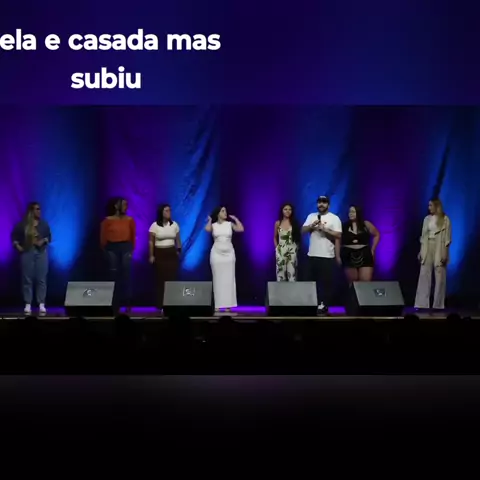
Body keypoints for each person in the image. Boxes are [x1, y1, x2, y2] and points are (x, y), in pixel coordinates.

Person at [302, 196, 342, 315]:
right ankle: (310, 305)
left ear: (328, 205)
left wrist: (325, 230)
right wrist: (311, 226)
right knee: (310, 282)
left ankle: (324, 304)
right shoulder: (311, 216)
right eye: (319, 202)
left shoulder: (334, 218)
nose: (321, 204)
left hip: (327, 256)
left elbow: (339, 235)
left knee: (326, 283)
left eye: (324, 202)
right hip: (312, 255)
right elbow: (302, 231)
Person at [11, 202, 52, 316]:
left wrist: (43, 241)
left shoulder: (43, 224)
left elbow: (49, 236)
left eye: (40, 209)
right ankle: (28, 303)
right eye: (37, 209)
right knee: (27, 278)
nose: (39, 211)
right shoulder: (23, 224)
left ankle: (41, 303)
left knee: (41, 278)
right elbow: (14, 236)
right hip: (28, 252)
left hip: (41, 252)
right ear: (31, 211)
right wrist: (18, 246)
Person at [414, 199, 452, 310]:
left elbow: (447, 239)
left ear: (436, 206)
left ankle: (438, 305)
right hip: (427, 246)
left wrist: (445, 253)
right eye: (428, 205)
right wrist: (421, 251)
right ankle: (421, 303)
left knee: (440, 276)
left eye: (431, 205)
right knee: (424, 274)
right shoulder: (426, 219)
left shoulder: (445, 219)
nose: (429, 207)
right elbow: (423, 237)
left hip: (439, 247)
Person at [205, 206, 244, 311]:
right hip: (216, 254)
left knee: (229, 279)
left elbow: (241, 229)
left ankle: (228, 305)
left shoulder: (229, 224)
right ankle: (218, 304)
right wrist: (210, 220)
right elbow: (207, 229)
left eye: (225, 211)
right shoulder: (214, 225)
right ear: (218, 213)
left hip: (229, 254)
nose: (225, 213)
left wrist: (235, 219)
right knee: (217, 279)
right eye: (223, 211)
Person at [100, 197, 136, 311]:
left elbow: (133, 236)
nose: (126, 207)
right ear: (116, 206)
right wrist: (105, 250)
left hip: (126, 247)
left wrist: (131, 250)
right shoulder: (107, 221)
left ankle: (128, 302)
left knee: (126, 275)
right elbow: (103, 238)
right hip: (112, 248)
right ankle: (114, 303)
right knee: (113, 275)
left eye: (126, 205)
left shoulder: (130, 220)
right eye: (123, 204)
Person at [148, 204, 182, 310]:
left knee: (171, 278)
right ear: (161, 212)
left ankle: (171, 303)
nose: (169, 212)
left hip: (171, 253)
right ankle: (160, 304)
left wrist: (178, 250)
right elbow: (151, 242)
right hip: (160, 254)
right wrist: (151, 255)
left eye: (169, 210)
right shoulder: (154, 226)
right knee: (161, 279)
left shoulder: (174, 225)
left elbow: (178, 240)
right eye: (166, 211)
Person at [340, 205, 380, 283]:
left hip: (364, 254)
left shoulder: (366, 224)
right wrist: (338, 256)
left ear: (358, 213)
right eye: (349, 212)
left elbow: (377, 234)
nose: (351, 214)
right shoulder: (344, 226)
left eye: (353, 212)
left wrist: (373, 249)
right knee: (352, 281)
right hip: (349, 254)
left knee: (365, 281)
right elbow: (338, 240)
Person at [274, 203, 301, 281]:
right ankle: (280, 288)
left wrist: (296, 247)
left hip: (292, 249)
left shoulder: (295, 223)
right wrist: (276, 248)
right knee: (280, 271)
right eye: (285, 209)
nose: (287, 211)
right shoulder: (278, 223)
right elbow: (274, 237)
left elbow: (298, 237)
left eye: (289, 209)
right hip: (281, 249)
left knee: (292, 272)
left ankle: (292, 288)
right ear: (282, 211)